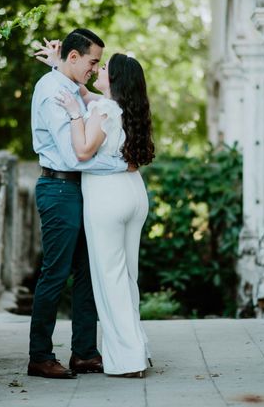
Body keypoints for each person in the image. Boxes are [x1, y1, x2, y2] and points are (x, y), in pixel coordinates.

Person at [27, 28, 129, 380]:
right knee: (55, 273)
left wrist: (58, 65)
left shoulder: (67, 86)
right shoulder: (52, 91)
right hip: (58, 189)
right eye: (93, 61)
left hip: (81, 190)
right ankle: (40, 356)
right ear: (74, 57)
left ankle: (84, 353)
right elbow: (72, 156)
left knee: (87, 271)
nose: (95, 68)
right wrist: (120, 166)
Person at [54, 51, 156, 378]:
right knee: (127, 277)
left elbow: (83, 150)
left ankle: (129, 360)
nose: (97, 70)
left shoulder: (102, 109)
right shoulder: (126, 108)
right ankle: (138, 346)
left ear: (113, 80)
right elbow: (86, 91)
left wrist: (73, 115)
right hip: (134, 193)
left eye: (103, 68)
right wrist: (59, 65)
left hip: (107, 197)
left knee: (109, 280)